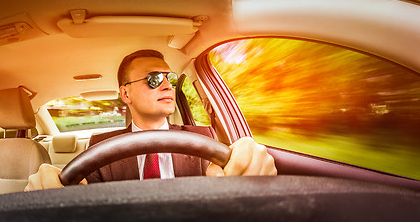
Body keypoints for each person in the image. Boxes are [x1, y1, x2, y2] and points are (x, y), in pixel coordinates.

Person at [25, 50, 276, 191]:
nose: (167, 85)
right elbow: (83, 201)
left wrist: (250, 161)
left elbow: (232, 176)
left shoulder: (205, 139)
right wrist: (50, 192)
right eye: (154, 79)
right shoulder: (98, 147)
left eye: (171, 78)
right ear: (125, 94)